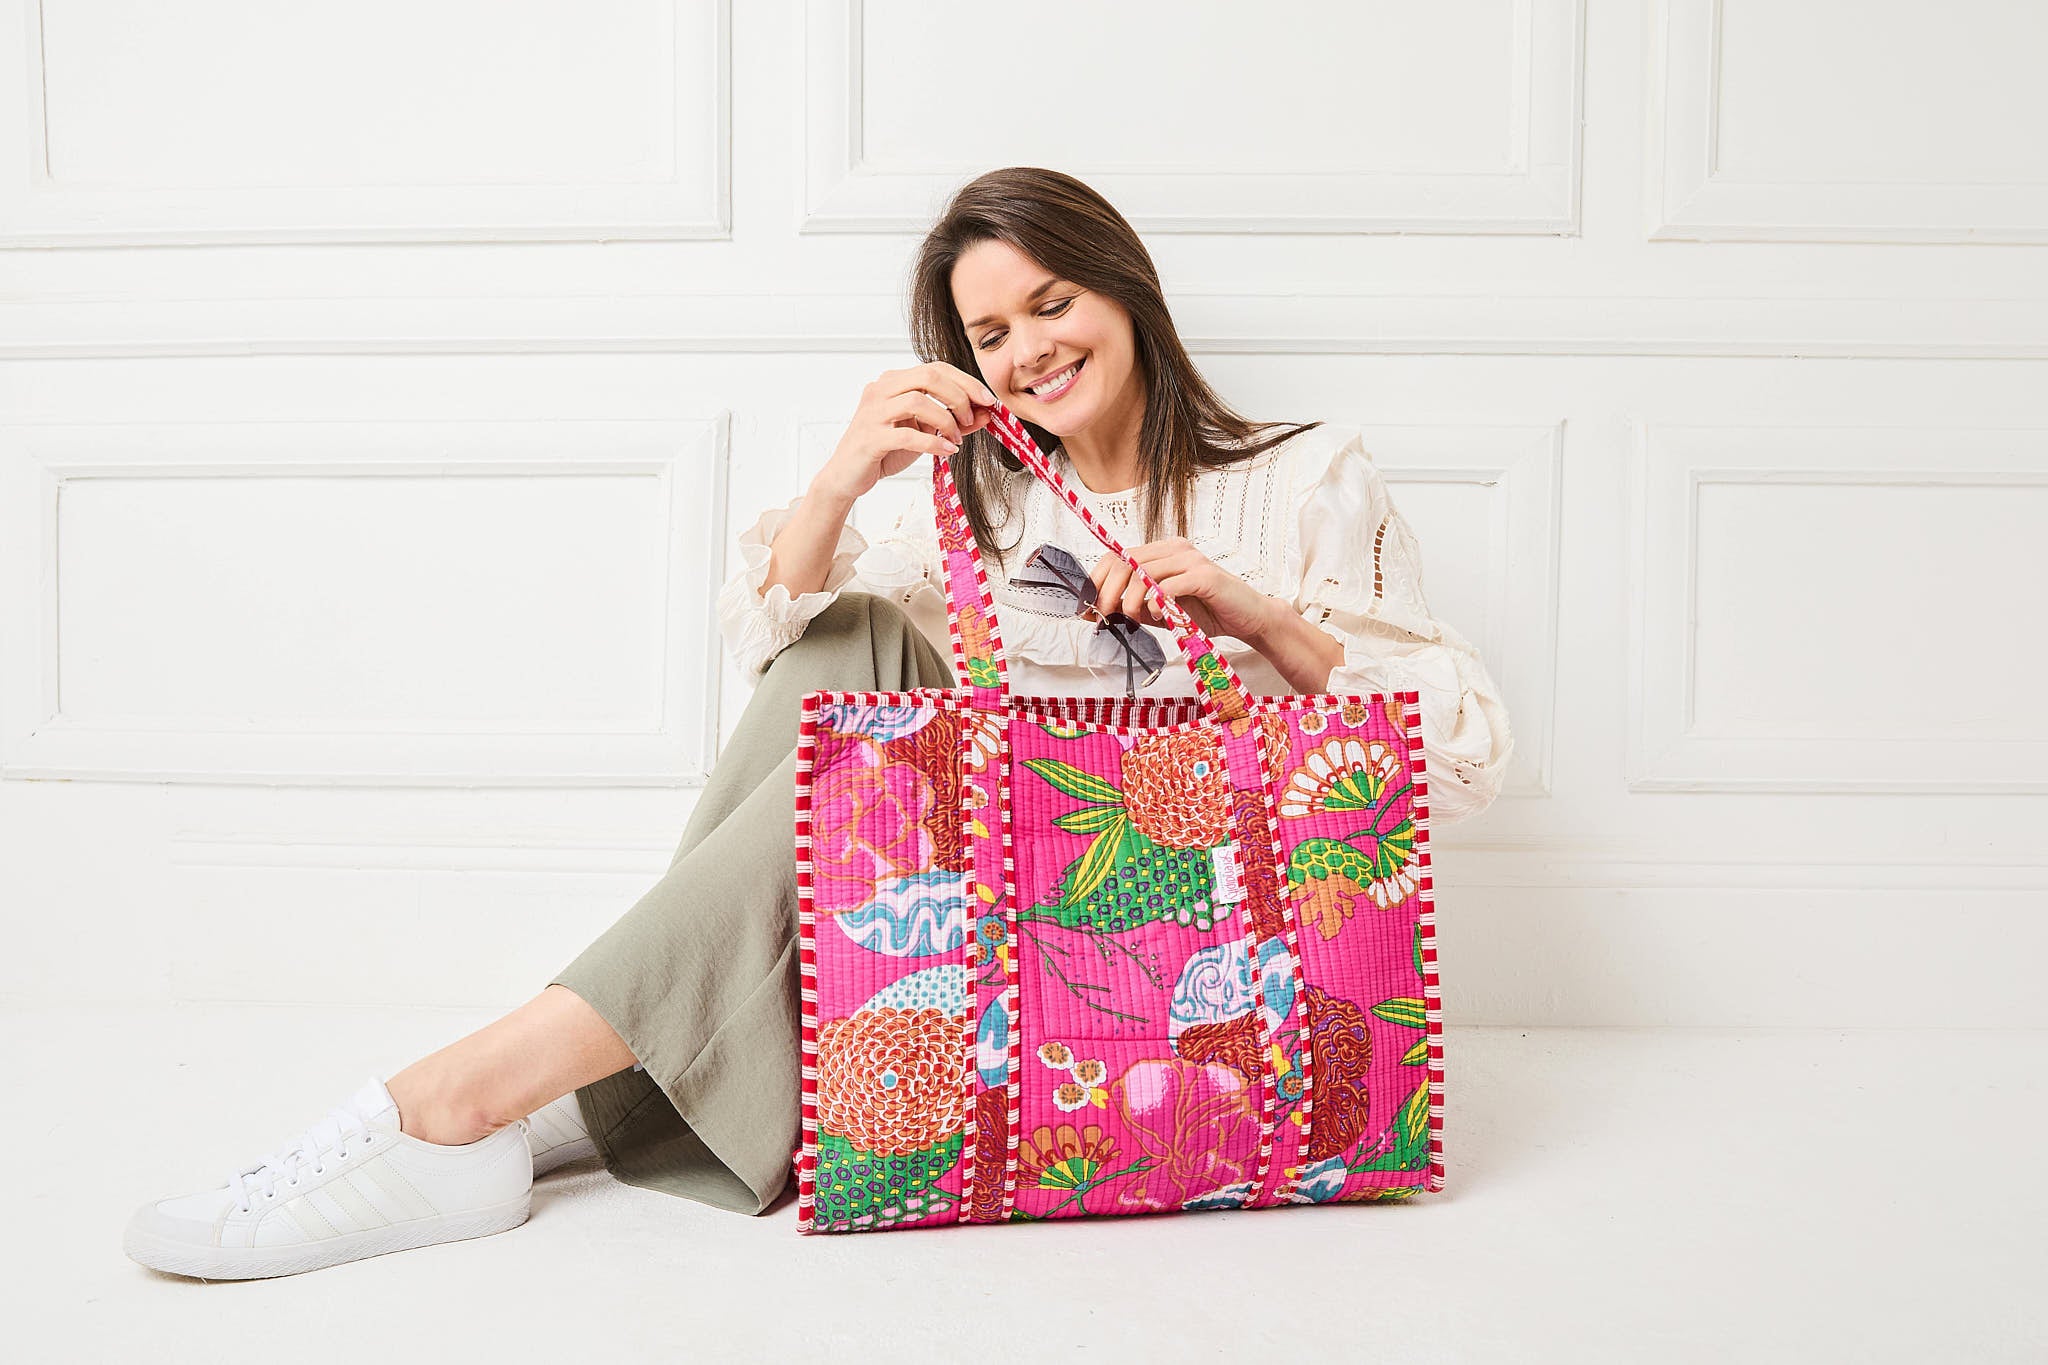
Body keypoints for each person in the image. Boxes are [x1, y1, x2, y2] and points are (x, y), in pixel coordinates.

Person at [122, 167, 1513, 1280]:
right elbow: (769, 661)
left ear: (1127, 291)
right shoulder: (971, 506)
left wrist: (1254, 615)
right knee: (850, 634)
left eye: (1053, 302)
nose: (1028, 350)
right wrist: (844, 478)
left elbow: (1452, 751)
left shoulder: (1300, 476)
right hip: (963, 943)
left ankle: (500, 1090)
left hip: (1190, 944)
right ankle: (561, 1067)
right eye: (990, 333)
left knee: (860, 650)